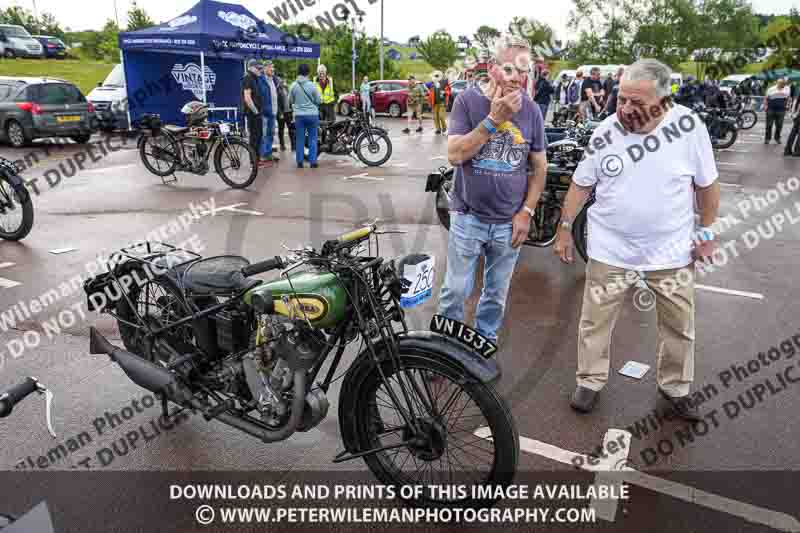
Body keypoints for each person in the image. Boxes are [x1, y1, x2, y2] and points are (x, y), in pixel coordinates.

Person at [554, 59, 720, 421]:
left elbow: (707, 187)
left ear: (663, 102)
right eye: (622, 99)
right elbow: (582, 184)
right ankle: (590, 380)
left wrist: (706, 232)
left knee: (679, 323)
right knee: (594, 319)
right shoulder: (606, 132)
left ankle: (674, 389)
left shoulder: (689, 127)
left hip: (670, 251)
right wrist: (565, 227)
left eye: (637, 103)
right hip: (610, 247)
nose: (626, 109)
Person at [438, 34, 547, 345]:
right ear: (492, 68)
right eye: (510, 69)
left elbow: (540, 167)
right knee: (456, 290)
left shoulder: (532, 112)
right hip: (467, 216)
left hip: (508, 222)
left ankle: (484, 341)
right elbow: (455, 155)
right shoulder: (468, 102)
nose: (518, 78)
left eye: (524, 71)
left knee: (496, 293)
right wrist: (493, 120)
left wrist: (526, 212)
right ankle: (444, 348)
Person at [289, 63, 321, 169]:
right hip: (312, 115)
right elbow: (318, 100)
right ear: (308, 73)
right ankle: (313, 162)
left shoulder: (293, 85)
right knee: (312, 138)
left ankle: (300, 161)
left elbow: (290, 100)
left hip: (299, 116)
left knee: (300, 138)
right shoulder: (312, 85)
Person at [241, 59, 266, 166]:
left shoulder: (255, 78)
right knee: (254, 137)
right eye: (258, 68)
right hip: (252, 113)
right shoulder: (248, 78)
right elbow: (247, 98)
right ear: (251, 67)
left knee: (258, 136)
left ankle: (256, 158)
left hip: (256, 112)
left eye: (260, 68)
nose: (260, 70)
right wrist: (256, 112)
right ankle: (253, 160)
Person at [259, 60, 280, 162]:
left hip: (273, 112)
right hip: (265, 113)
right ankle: (263, 154)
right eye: (271, 67)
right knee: (263, 134)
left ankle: (268, 153)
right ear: (265, 68)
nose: (273, 69)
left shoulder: (274, 79)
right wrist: (262, 109)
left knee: (271, 133)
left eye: (273, 67)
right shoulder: (261, 80)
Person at [765, 78, 791, 144]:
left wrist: (788, 105)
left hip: (781, 109)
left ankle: (777, 138)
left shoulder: (787, 89)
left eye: (784, 84)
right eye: (781, 84)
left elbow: (788, 98)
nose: (783, 85)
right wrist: (765, 106)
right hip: (771, 109)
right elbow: (766, 98)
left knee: (779, 125)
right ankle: (767, 139)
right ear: (778, 83)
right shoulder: (771, 89)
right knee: (769, 125)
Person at [275, 71, 293, 152]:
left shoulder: (287, 88)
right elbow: (276, 102)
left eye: (283, 79)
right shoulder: (276, 89)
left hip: (289, 112)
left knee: (291, 129)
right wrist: (280, 113)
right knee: (281, 129)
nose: (282, 80)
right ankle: (282, 145)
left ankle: (293, 144)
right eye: (280, 79)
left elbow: (290, 99)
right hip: (281, 113)